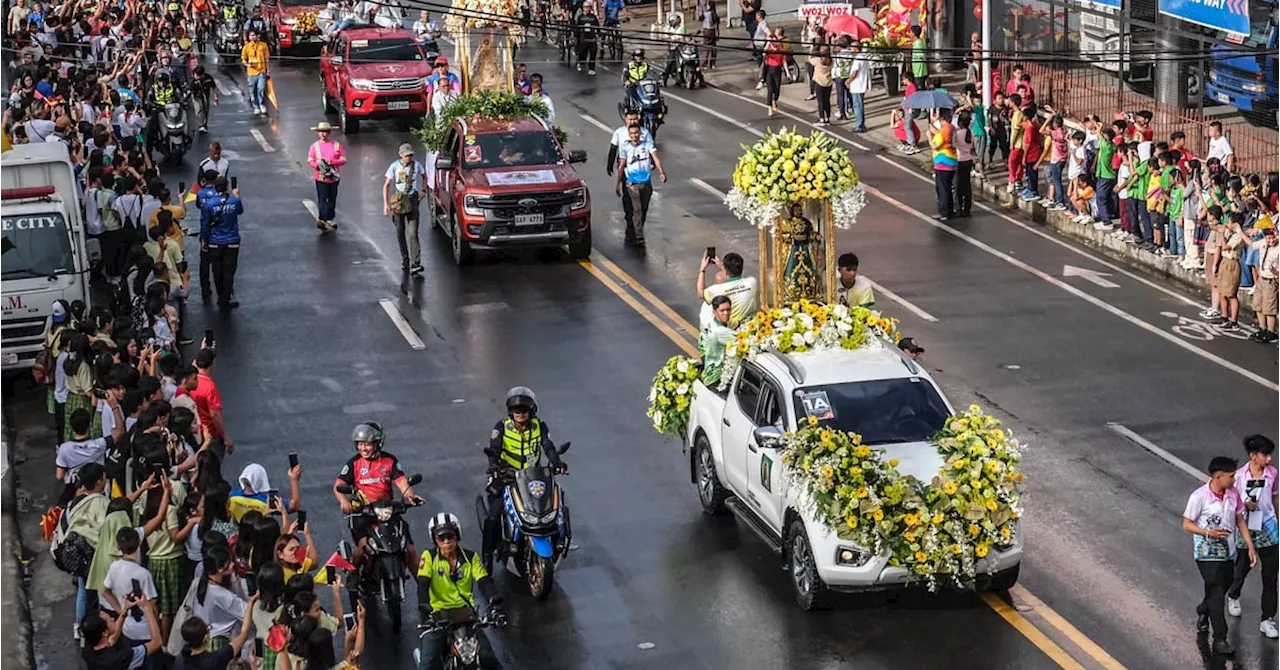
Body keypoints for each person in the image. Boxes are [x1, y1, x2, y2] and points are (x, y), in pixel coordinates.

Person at [481, 388, 566, 568]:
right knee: (493, 517)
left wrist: (556, 461)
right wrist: (494, 466)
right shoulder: (501, 427)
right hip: (506, 477)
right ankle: (487, 555)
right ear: (511, 412)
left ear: (531, 411)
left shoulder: (539, 426)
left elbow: (548, 446)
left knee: (556, 503)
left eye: (524, 411)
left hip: (531, 477)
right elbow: (494, 449)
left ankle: (559, 541)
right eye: (516, 411)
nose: (520, 414)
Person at [1184, 455, 1257, 656]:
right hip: (1206, 554)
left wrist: (1249, 546)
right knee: (1216, 592)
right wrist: (1207, 533)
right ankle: (1220, 638)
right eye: (1231, 476)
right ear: (1218, 476)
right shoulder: (1199, 497)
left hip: (1228, 552)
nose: (1234, 480)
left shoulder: (1233, 494)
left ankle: (1203, 609)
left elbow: (1240, 520)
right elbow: (1187, 523)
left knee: (1222, 588)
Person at [333, 421, 424, 575]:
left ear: (378, 443)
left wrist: (410, 496)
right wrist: (344, 501)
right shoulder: (353, 464)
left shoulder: (390, 461)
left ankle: (424, 591)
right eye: (360, 444)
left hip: (387, 511)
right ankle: (353, 579)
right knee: (361, 550)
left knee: (410, 550)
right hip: (363, 513)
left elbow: (401, 482)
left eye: (367, 444)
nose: (363, 448)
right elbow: (338, 486)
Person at [414, 513, 503, 670]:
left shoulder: (471, 558)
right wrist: (425, 608)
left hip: (467, 617)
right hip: (437, 617)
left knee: (490, 660)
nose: (447, 542)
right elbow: (422, 584)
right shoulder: (429, 557)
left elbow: (483, 581)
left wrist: (493, 601)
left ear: (458, 536)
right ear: (435, 540)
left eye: (450, 536)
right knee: (427, 665)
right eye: (441, 538)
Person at [1224, 435, 1280, 639]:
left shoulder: (1273, 474)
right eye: (1265, 455)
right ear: (1253, 456)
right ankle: (1234, 594)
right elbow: (1231, 505)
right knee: (1242, 568)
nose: (1269, 459)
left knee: (1271, 576)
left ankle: (1267, 619)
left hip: (1269, 528)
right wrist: (1245, 506)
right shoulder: (1238, 477)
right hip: (1246, 528)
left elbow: (1274, 498)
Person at [614, 124, 667, 247]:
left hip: (646, 184)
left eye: (636, 133)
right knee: (637, 210)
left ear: (640, 134)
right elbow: (621, 166)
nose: (634, 136)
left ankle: (639, 228)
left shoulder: (647, 145)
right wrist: (618, 183)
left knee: (643, 210)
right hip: (632, 185)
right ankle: (639, 236)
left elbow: (656, 158)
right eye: (631, 134)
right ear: (629, 135)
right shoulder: (625, 148)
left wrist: (661, 172)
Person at [198, 176, 244, 310]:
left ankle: (220, 296)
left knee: (217, 271)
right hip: (232, 241)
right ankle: (226, 298)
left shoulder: (209, 204)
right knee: (229, 271)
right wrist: (237, 195)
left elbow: (205, 224)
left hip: (215, 242)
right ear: (227, 186)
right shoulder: (234, 201)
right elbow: (240, 211)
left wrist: (204, 240)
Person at [382, 143, 427, 275]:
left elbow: (424, 176)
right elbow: (386, 185)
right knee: (400, 232)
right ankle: (405, 259)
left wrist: (423, 190)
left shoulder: (417, 165)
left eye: (411, 155)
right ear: (400, 155)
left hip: (412, 200)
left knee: (413, 233)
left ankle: (416, 262)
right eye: (407, 155)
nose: (409, 157)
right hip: (399, 202)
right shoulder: (394, 166)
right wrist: (385, 204)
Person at [697, 251, 757, 328]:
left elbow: (700, 293)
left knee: (706, 306)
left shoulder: (716, 290)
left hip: (728, 330)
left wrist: (702, 269)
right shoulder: (752, 282)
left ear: (725, 271)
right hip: (748, 328)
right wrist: (723, 267)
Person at [308, 121, 346, 231]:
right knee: (322, 198)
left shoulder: (337, 145)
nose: (323, 134)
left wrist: (332, 162)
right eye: (321, 132)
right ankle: (322, 219)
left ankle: (330, 218)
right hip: (320, 177)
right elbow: (310, 160)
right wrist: (318, 166)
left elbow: (343, 160)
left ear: (329, 133)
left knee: (332, 198)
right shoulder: (314, 146)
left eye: (325, 132)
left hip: (333, 177)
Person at [698, 296, 735, 389]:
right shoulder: (720, 331)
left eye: (728, 310)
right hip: (716, 379)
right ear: (714, 312)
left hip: (707, 374)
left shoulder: (710, 323)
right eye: (722, 311)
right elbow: (746, 341)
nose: (726, 313)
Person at [606, 110, 652, 178]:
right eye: (630, 119)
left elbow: (652, 149)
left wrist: (652, 163)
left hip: (641, 163)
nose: (633, 122)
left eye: (635, 119)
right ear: (625, 120)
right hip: (624, 163)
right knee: (627, 185)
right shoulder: (619, 132)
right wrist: (610, 164)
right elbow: (613, 149)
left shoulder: (645, 132)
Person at [240, 29, 269, 116]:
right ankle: (256, 106)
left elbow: (267, 58)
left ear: (257, 36)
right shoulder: (246, 47)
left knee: (261, 88)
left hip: (261, 71)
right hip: (251, 72)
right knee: (252, 90)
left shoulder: (263, 45)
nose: (252, 37)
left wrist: (268, 69)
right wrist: (248, 65)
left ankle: (262, 104)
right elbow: (243, 60)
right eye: (250, 36)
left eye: (254, 35)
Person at [574, 3, 599, 75]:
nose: (587, 9)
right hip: (583, 38)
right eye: (586, 7)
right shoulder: (580, 17)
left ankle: (591, 68)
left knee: (593, 53)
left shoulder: (593, 17)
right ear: (583, 8)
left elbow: (597, 26)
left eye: (588, 7)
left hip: (592, 37)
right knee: (582, 53)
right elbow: (577, 28)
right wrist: (576, 37)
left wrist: (598, 34)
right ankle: (580, 63)